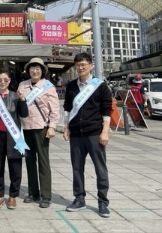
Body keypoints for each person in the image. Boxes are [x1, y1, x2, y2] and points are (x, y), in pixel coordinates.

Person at [63, 52, 112, 218]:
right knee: (77, 168)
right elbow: (67, 108)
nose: (81, 67)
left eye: (84, 64)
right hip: (76, 134)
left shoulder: (100, 86)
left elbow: (106, 110)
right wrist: (66, 127)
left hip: (95, 133)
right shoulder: (71, 86)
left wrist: (105, 131)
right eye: (78, 65)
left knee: (100, 168)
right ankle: (79, 198)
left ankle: (103, 202)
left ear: (91, 66)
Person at [18, 58, 59, 208]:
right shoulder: (23, 85)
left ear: (42, 71)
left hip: (42, 127)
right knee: (29, 161)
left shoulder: (48, 86)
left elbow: (55, 109)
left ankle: (46, 195)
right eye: (32, 68)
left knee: (43, 161)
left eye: (37, 68)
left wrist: (52, 127)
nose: (34, 71)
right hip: (26, 127)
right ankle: (33, 192)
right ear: (28, 70)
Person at [0, 70, 28, 210]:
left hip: (13, 137)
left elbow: (24, 114)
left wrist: (23, 100)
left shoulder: (16, 96)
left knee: (15, 167)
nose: (2, 82)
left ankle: (13, 196)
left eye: (5, 80)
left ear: (9, 81)